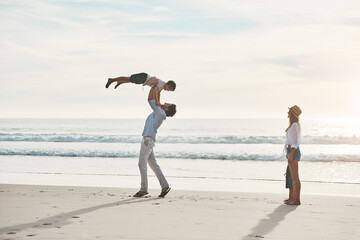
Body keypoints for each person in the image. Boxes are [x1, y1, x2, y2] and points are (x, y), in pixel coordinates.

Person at [133, 86, 176, 198]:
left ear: (166, 109)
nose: (165, 102)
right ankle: (165, 186)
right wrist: (158, 88)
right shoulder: (160, 111)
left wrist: (154, 87)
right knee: (153, 165)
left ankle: (143, 189)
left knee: (141, 163)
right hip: (148, 141)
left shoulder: (160, 113)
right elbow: (157, 100)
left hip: (147, 141)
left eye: (167, 104)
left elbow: (150, 100)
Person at [106, 73, 176, 106]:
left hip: (144, 79)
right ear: (167, 85)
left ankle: (120, 82)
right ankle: (112, 80)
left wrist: (159, 102)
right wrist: (157, 102)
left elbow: (158, 93)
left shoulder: (162, 86)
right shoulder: (161, 84)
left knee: (131, 80)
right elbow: (155, 92)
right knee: (128, 78)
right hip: (144, 77)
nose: (167, 90)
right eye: (169, 89)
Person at [284, 105, 302, 205]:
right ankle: (293, 198)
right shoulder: (292, 125)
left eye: (289, 111)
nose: (287, 113)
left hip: (294, 151)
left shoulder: (295, 125)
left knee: (295, 178)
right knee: (292, 177)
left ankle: (297, 200)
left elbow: (296, 141)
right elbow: (289, 141)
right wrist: (287, 152)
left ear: (291, 113)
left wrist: (291, 154)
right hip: (290, 151)